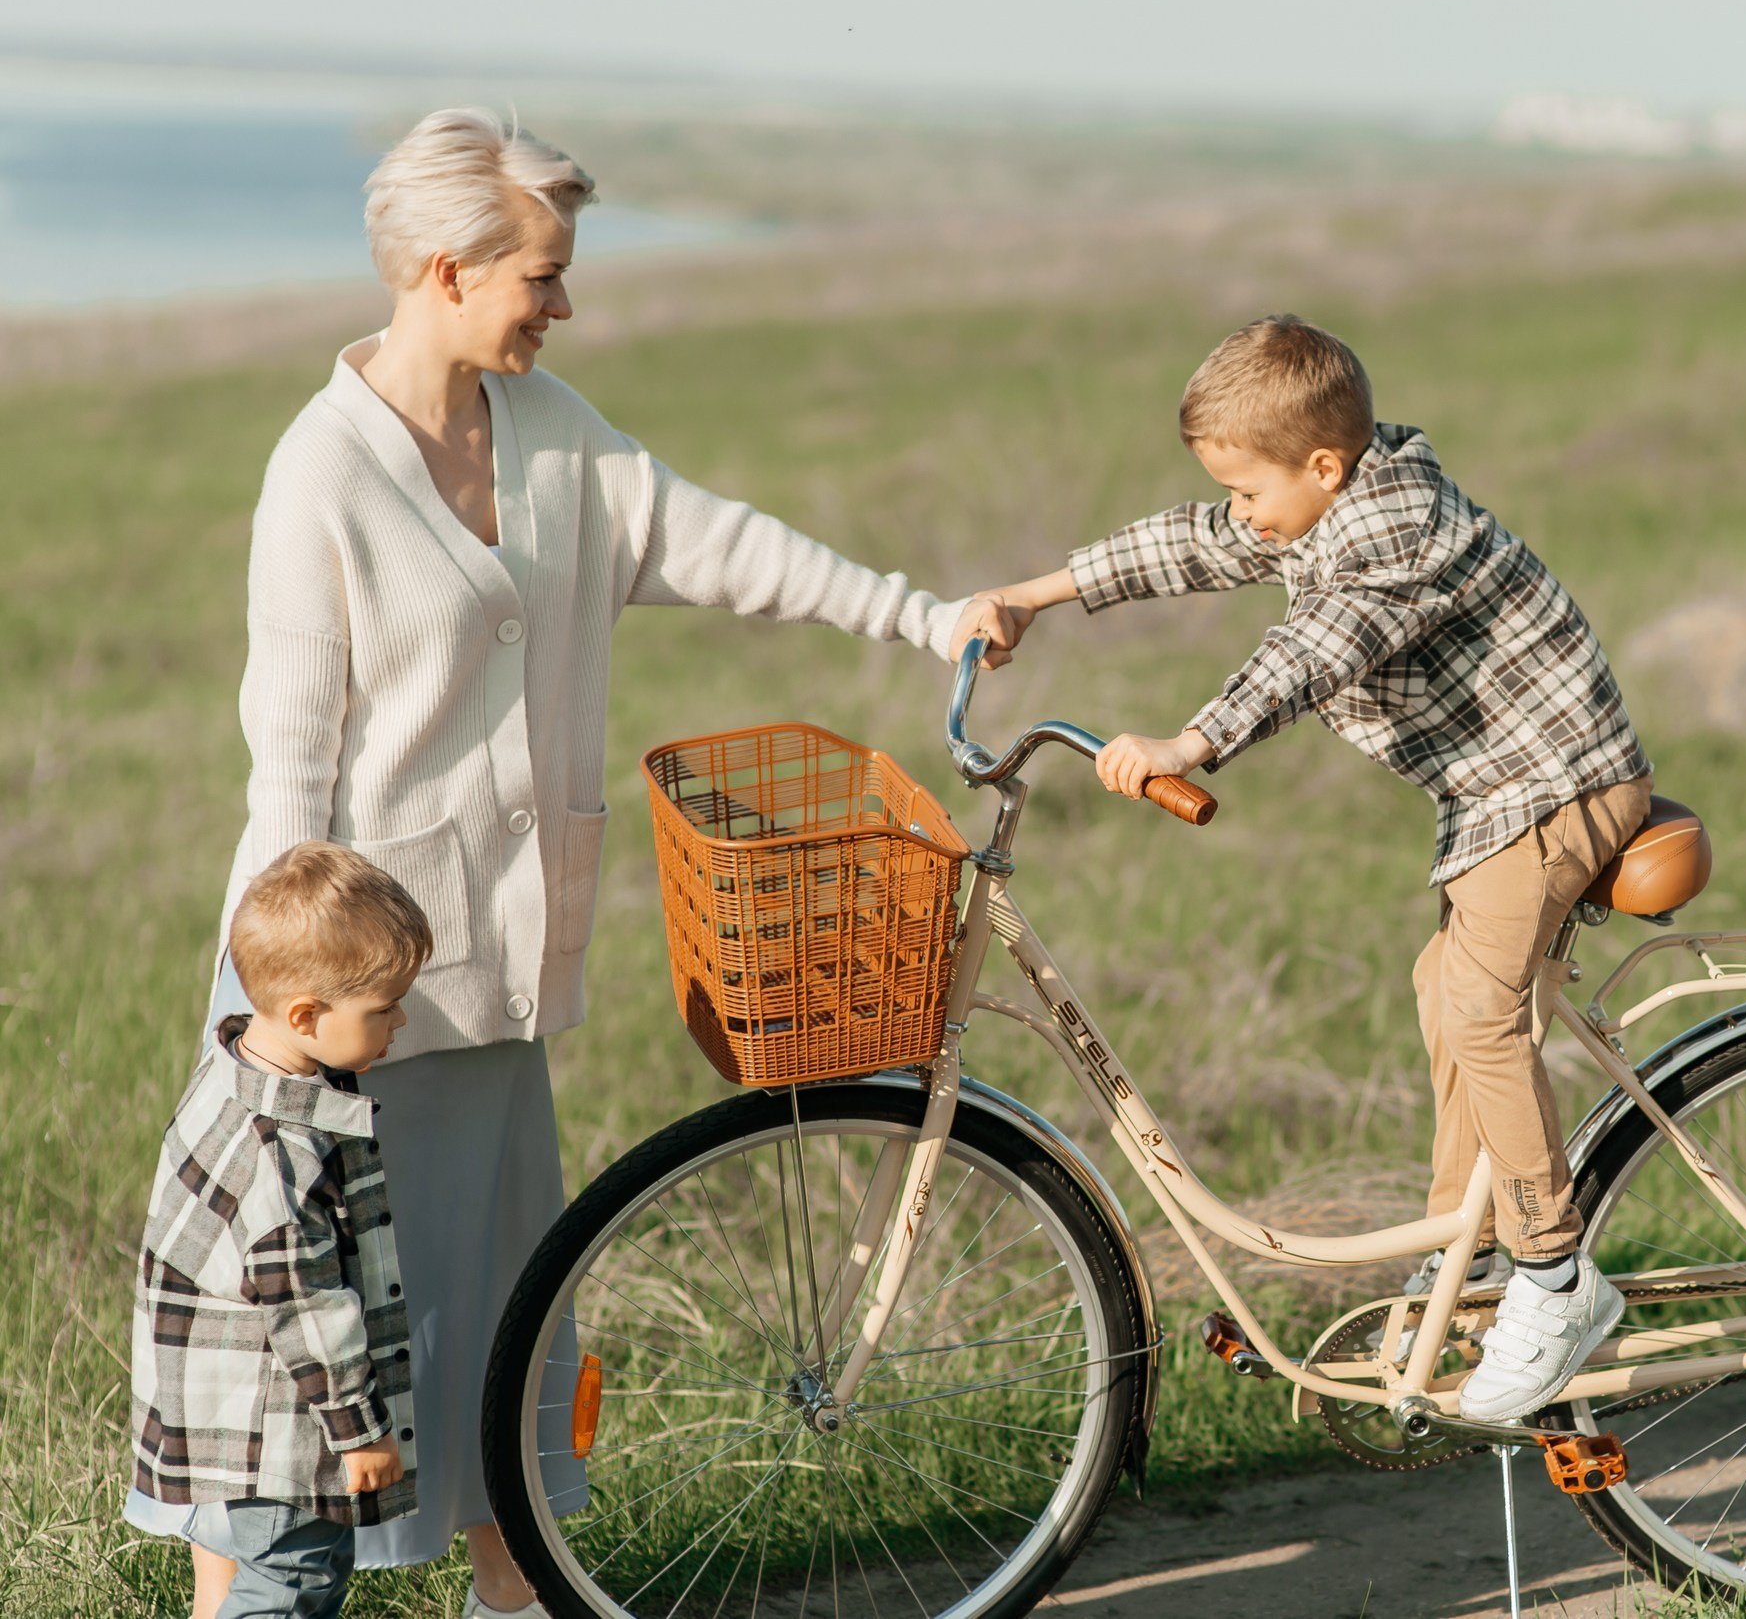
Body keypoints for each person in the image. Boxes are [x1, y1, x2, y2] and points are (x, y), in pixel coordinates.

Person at [125, 107, 1018, 1619]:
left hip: (488, 974)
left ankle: (515, 1592)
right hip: (333, 990)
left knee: (500, 1310)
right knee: (290, 1318)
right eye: (542, 274)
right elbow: (288, 764)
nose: (564, 302)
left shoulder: (551, 432)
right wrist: (278, 1017)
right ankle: (239, 1600)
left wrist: (922, 615)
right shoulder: (322, 471)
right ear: (446, 269)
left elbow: (726, 544)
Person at [983, 314, 1652, 1423]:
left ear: (1324, 466)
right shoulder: (1324, 499)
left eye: (1249, 490)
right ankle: (1473, 1248)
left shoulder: (1394, 534)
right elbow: (1188, 544)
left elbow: (1314, 649)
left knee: (1480, 1007)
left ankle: (1554, 1273)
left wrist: (1190, 742)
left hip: (1556, 788)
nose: (1240, 513)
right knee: (1444, 991)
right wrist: (1030, 595)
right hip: (1497, 801)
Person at [131, 844, 433, 1619]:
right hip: (280, 1426)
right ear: (305, 1015)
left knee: (291, 1572)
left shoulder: (234, 1070)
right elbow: (307, 1307)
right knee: (292, 1582)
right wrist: (361, 1431)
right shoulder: (280, 1152)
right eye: (384, 1007)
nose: (400, 1020)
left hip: (239, 1409)